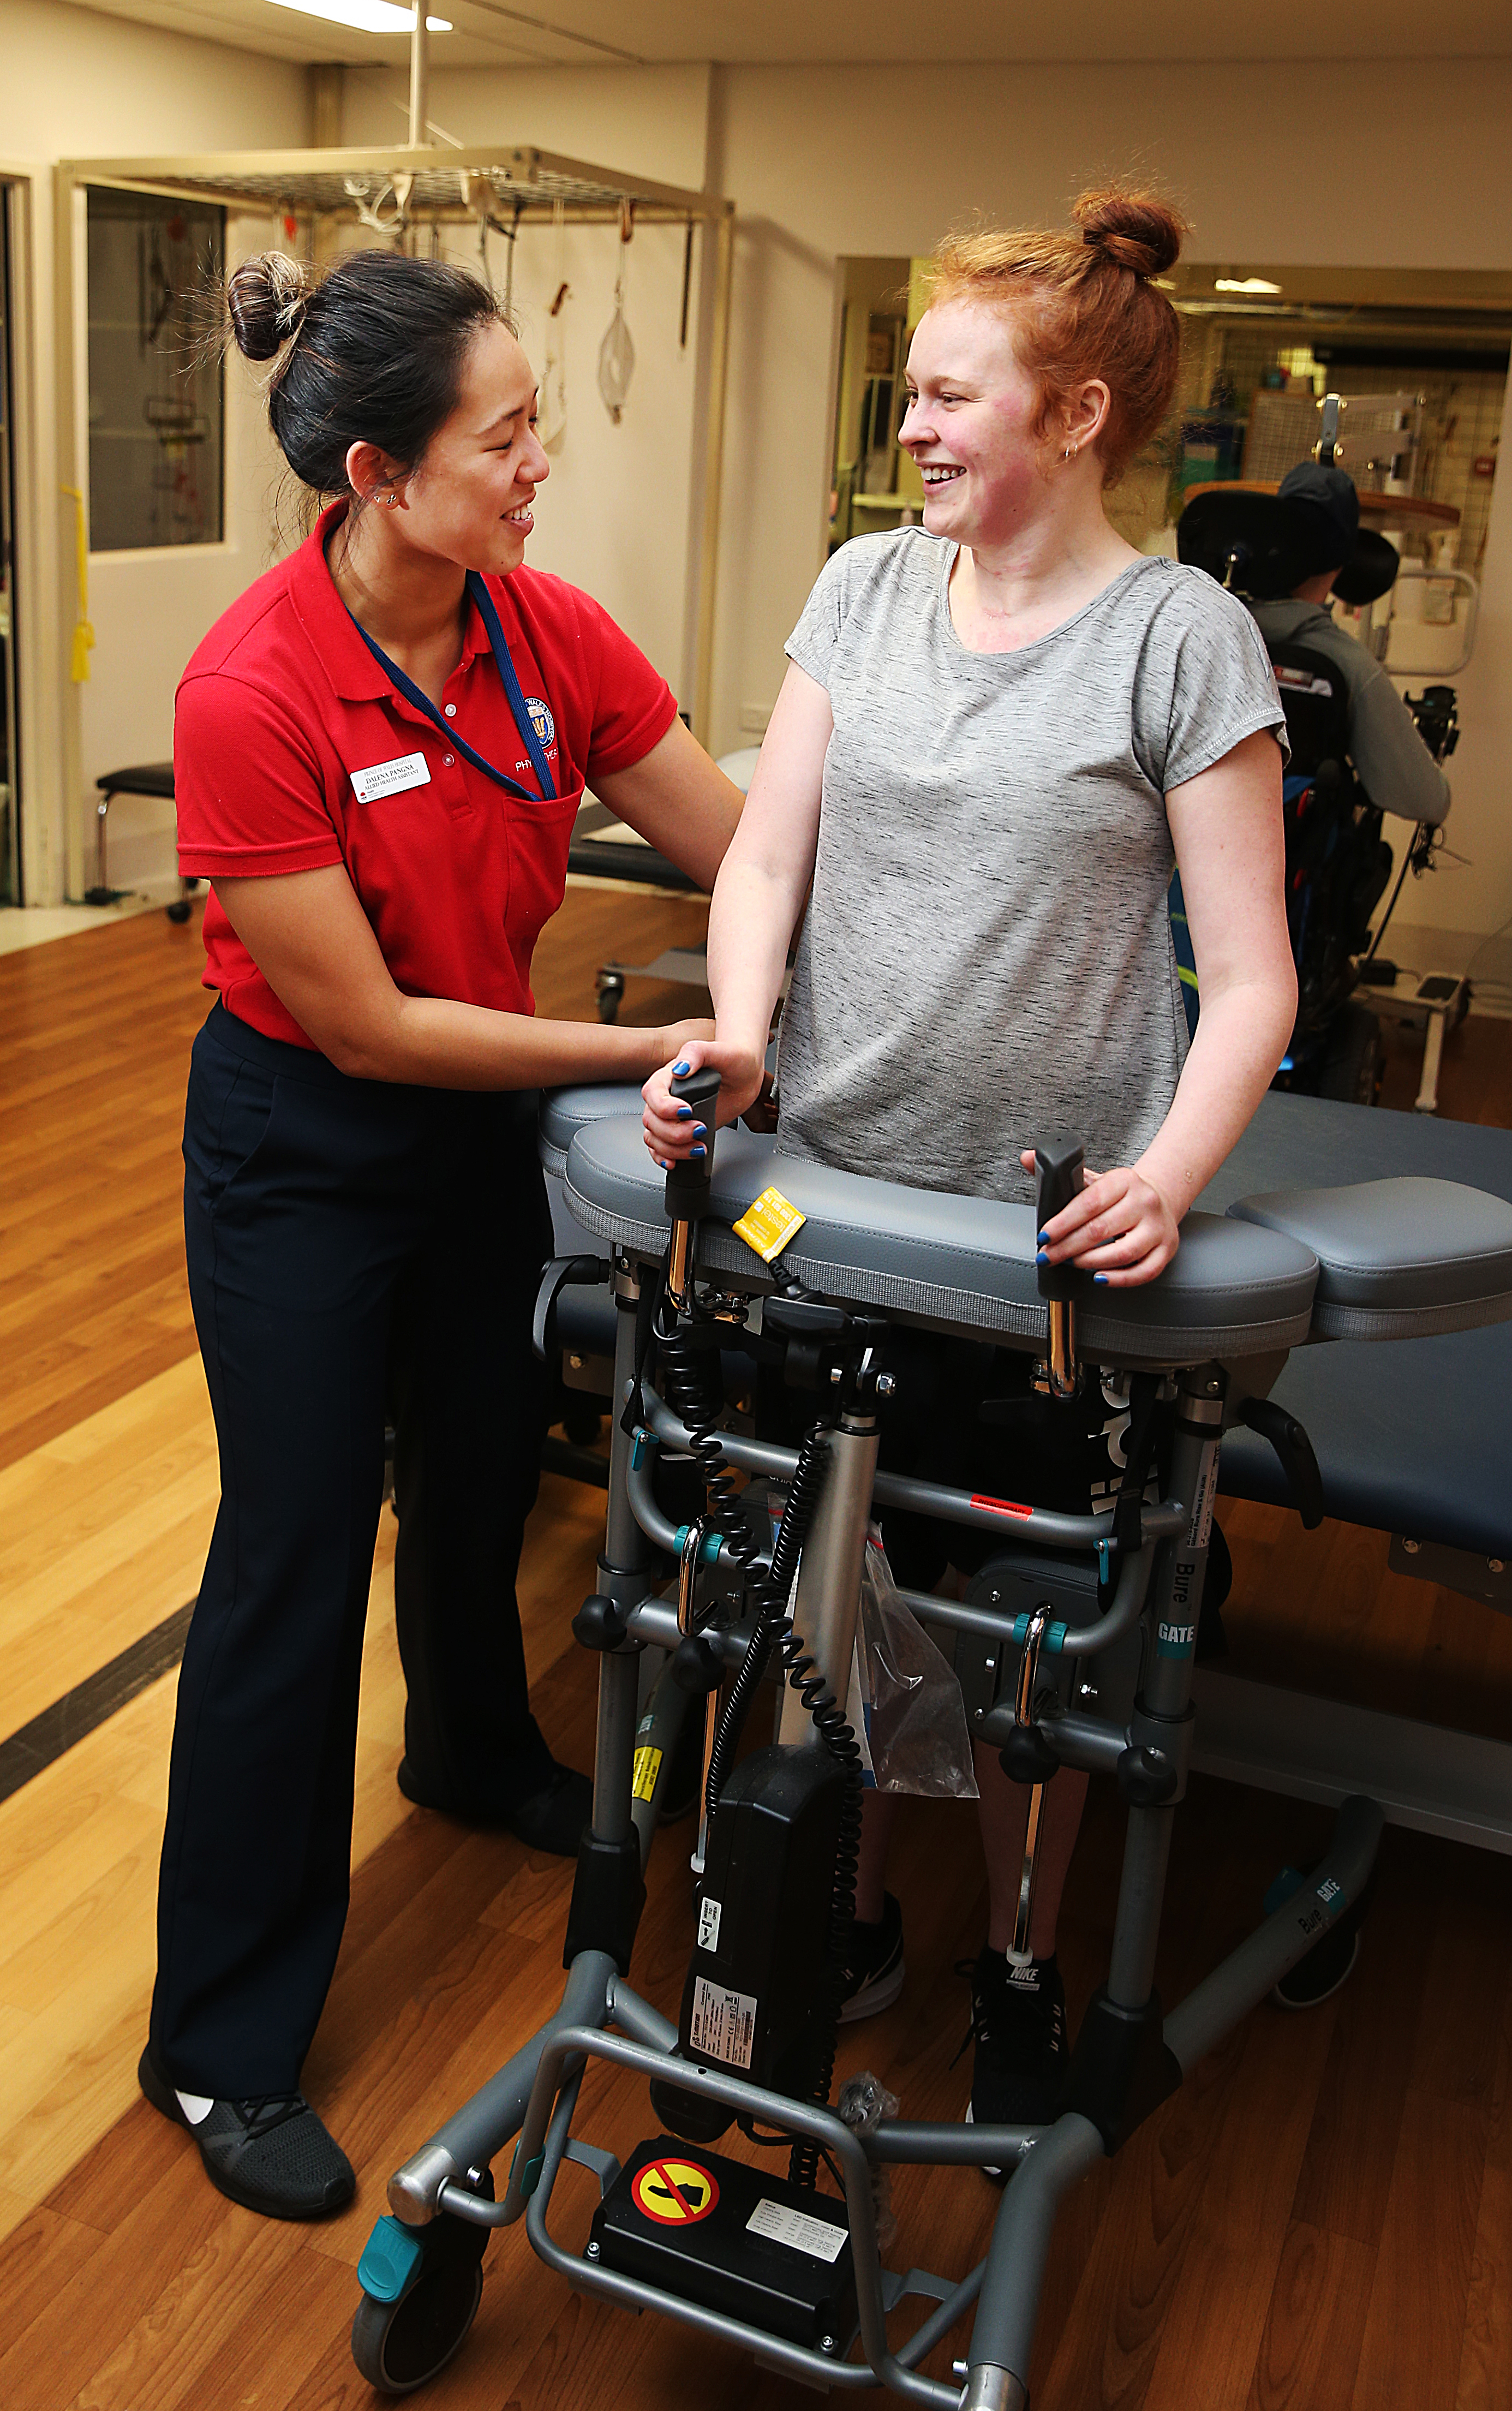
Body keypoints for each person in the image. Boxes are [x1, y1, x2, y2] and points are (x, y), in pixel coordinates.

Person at [643, 189, 1298, 2140]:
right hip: (826, 1191)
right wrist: (741, 1030)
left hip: (1039, 1235)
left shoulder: (1178, 640)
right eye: (907, 392)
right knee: (821, 1584)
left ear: (1076, 411)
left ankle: (1017, 1941)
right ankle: (833, 1916)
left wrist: (1172, 1171)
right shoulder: (857, 591)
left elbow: (1252, 976)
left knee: (1025, 1628)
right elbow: (764, 849)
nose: (910, 424)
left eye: (947, 392)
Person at [142, 248, 740, 2222]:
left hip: (481, 1128)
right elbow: (364, 1021)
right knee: (293, 1561)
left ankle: (471, 1749)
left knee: (481, 1473)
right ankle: (219, 2046)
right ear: (387, 472)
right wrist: (638, 1039)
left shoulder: (540, 628)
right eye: (508, 436)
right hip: (309, 1139)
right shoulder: (249, 684)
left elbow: (733, 836)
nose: (540, 465)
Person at [1250, 462, 1451, 827]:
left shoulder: (1214, 629)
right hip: (1289, 873)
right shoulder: (1349, 666)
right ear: (1347, 560)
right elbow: (1425, 800)